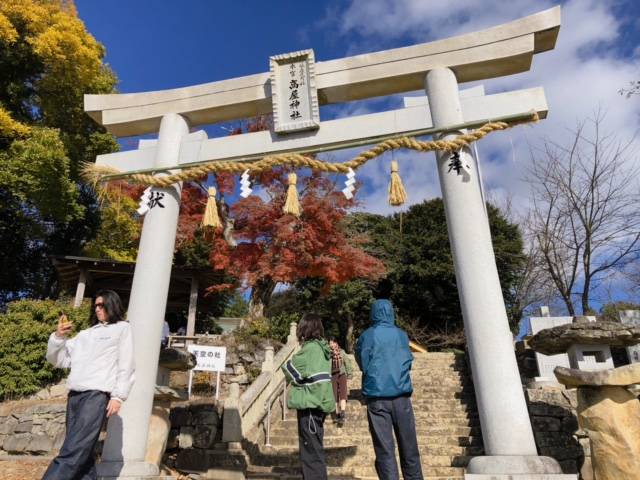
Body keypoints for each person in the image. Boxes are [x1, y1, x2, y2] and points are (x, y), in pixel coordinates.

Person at [42, 290, 135, 480]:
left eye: (102, 305)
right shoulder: (85, 334)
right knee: (83, 453)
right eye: (96, 305)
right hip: (75, 396)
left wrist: (118, 396)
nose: (98, 309)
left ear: (113, 305)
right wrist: (58, 337)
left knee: (73, 450)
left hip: (96, 395)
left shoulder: (122, 329)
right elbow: (59, 360)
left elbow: (127, 365)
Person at [355, 295, 423, 480]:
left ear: (374, 314)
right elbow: (408, 361)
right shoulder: (401, 335)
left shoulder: (367, 336)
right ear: (391, 313)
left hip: (377, 398)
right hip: (401, 398)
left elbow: (362, 361)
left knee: (385, 451)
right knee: (410, 449)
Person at [281, 313, 335, 480]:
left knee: (310, 452)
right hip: (320, 402)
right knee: (315, 449)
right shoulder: (323, 348)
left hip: (310, 404)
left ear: (305, 328)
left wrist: (297, 381)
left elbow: (288, 367)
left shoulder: (310, 348)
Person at [328, 336, 352, 426]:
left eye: (332, 343)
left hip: (342, 374)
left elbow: (347, 363)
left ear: (336, 343)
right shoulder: (328, 354)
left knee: (342, 393)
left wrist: (349, 374)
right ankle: (337, 415)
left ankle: (342, 413)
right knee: (334, 395)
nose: (331, 345)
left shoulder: (342, 352)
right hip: (333, 375)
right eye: (330, 343)